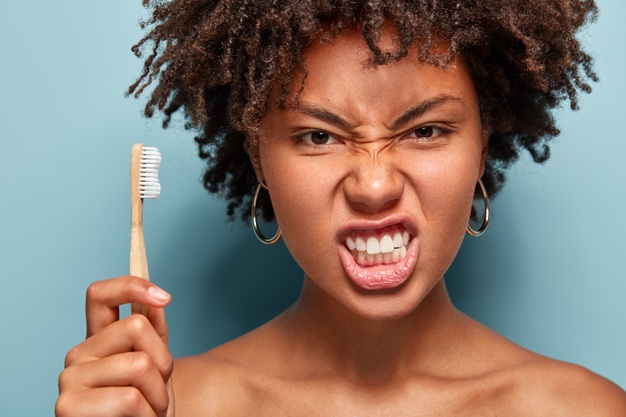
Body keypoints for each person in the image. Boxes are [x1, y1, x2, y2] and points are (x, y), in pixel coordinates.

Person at [56, 1, 626, 416]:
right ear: (259, 159)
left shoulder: (584, 410)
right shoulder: (169, 408)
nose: (373, 186)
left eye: (425, 129)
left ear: (482, 146)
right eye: (317, 137)